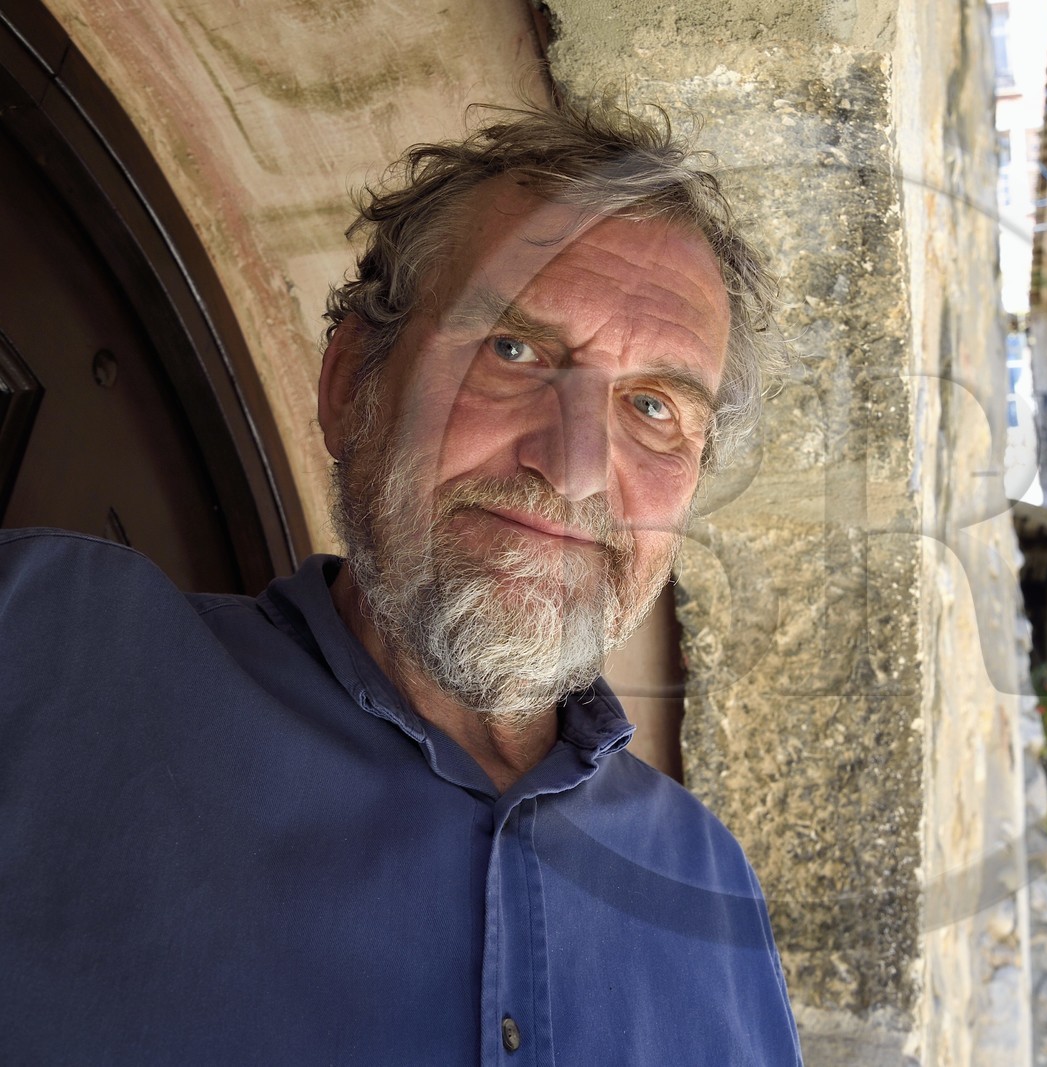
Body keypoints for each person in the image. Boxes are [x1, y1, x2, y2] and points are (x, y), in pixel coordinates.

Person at [0, 102, 802, 1064]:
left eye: (653, 406)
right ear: (351, 384)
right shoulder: (49, 650)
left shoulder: (709, 880)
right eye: (513, 350)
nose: (576, 465)